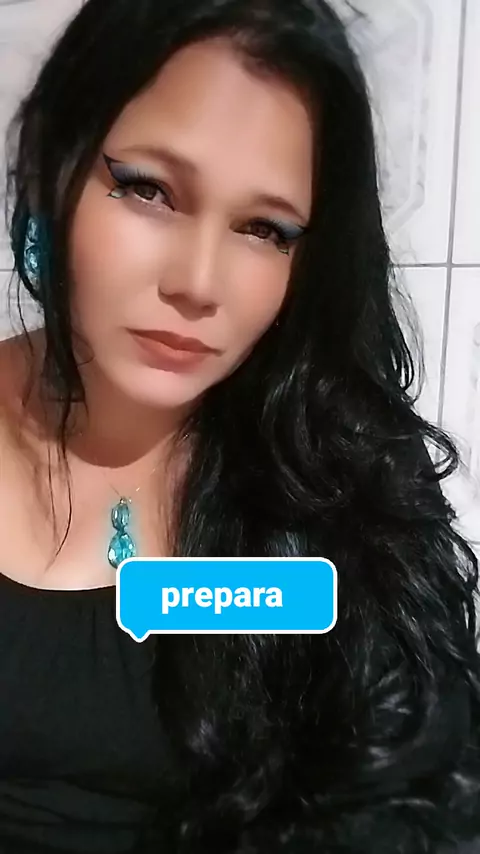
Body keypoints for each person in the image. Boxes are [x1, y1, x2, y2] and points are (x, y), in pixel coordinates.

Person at [0, 0, 479, 851]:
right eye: (148, 189)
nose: (198, 282)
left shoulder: (341, 468)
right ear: (48, 165)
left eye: (265, 228)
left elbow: (415, 794)